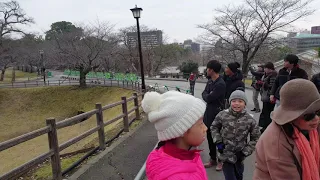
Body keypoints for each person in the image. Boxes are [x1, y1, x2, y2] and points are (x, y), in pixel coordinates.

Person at [254, 79, 320, 180]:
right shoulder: (276, 144)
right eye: (309, 116)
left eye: (318, 112)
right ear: (292, 116)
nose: (316, 119)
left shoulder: (309, 128)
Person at [142, 91, 208, 180]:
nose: (205, 128)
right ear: (182, 130)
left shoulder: (188, 154)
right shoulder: (176, 177)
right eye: (200, 123)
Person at [211, 89, 261, 180]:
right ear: (230, 102)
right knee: (230, 177)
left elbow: (256, 137)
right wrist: (218, 142)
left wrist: (245, 151)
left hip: (240, 155)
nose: (236, 103)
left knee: (239, 176)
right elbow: (214, 127)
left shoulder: (250, 119)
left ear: (245, 104)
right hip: (225, 154)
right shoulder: (222, 115)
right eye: (234, 101)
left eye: (240, 101)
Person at [202, 60, 226, 170]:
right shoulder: (210, 81)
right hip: (209, 113)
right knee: (210, 136)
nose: (207, 71)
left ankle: (221, 159)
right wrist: (208, 95)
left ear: (211, 70)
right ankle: (212, 158)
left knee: (219, 138)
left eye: (207, 69)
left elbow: (210, 97)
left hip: (218, 113)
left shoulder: (220, 83)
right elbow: (204, 94)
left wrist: (208, 95)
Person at [258, 62, 278, 134]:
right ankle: (264, 126)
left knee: (268, 113)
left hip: (269, 97)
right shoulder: (266, 75)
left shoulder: (273, 75)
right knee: (264, 111)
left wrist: (263, 84)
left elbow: (272, 86)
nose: (265, 70)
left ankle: (267, 127)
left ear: (270, 68)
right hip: (265, 96)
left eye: (266, 68)